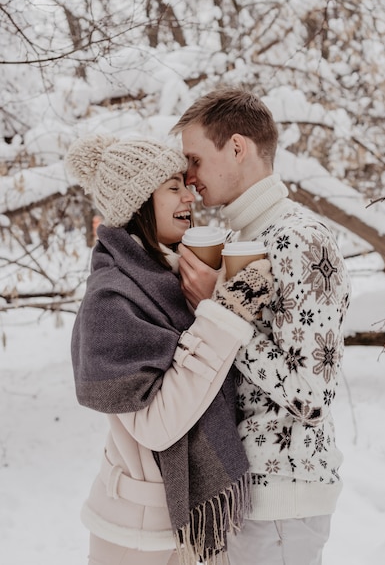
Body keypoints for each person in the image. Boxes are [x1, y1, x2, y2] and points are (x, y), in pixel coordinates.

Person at [64, 134, 274, 565]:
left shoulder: (174, 276)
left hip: (194, 528)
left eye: (185, 182)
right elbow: (157, 425)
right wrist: (226, 314)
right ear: (139, 202)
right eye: (172, 186)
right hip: (136, 537)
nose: (189, 193)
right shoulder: (113, 299)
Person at [170, 87, 351, 565]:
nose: (189, 178)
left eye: (195, 160)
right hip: (238, 496)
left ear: (236, 148)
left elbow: (312, 393)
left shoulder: (302, 239)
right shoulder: (239, 238)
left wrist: (218, 310)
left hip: (281, 505)